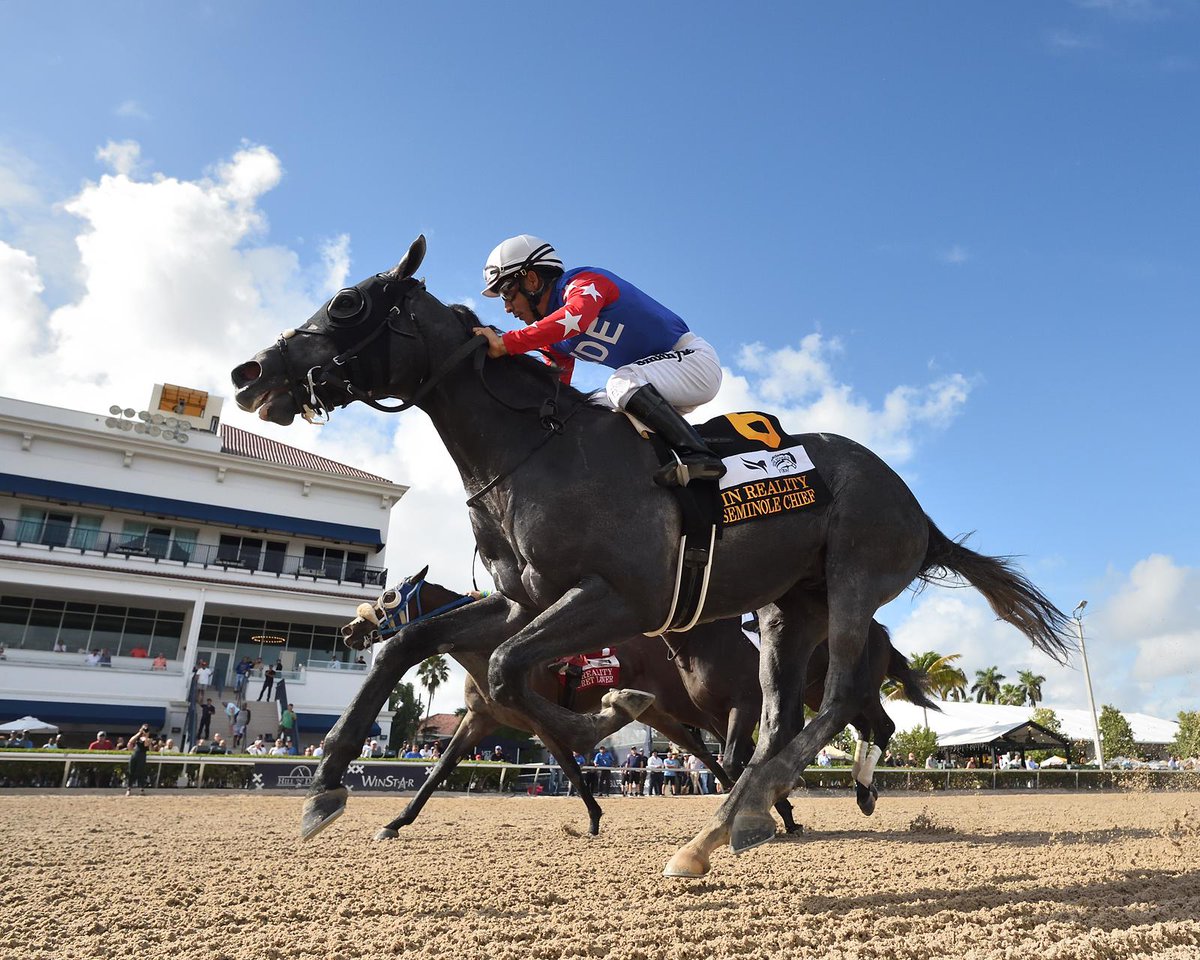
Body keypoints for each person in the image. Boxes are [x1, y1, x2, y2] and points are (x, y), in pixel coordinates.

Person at [475, 235, 725, 487]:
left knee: (620, 382)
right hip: (658, 383)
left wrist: (506, 342)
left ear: (531, 279)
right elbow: (555, 391)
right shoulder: (553, 341)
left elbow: (576, 318)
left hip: (695, 362)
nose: (507, 307)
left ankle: (699, 455)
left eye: (507, 292)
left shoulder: (584, 282)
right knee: (586, 409)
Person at [126, 725, 152, 795]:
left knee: (140, 772)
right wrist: (139, 733)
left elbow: (146, 744)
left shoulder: (149, 739)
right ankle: (129, 788)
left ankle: (142, 789)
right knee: (131, 771)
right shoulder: (138, 738)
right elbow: (130, 741)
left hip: (142, 756)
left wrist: (146, 736)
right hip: (134, 755)